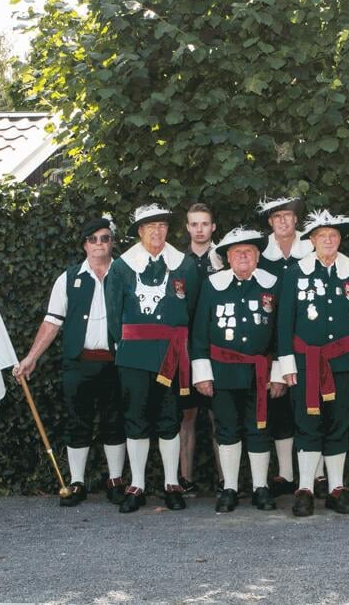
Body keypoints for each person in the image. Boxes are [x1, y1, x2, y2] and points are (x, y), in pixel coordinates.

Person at [13, 216, 127, 506]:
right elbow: (52, 322)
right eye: (93, 239)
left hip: (117, 362)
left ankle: (115, 480)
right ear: (84, 244)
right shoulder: (68, 278)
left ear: (112, 242)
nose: (99, 244)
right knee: (78, 422)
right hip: (79, 362)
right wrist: (31, 358)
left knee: (115, 422)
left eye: (105, 238)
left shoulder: (125, 274)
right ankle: (77, 483)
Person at [275, 210, 349, 516]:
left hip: (344, 362)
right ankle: (304, 488)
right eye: (322, 236)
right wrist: (286, 365)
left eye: (333, 236)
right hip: (305, 364)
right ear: (313, 240)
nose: (328, 240)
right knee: (307, 425)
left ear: (339, 239)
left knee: (338, 425)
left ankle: (335, 489)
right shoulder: (295, 273)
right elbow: (284, 323)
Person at [111, 203, 201, 513]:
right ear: (140, 232)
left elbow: (192, 311)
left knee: (169, 418)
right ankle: (137, 483)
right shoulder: (122, 267)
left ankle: (171, 483)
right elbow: (114, 315)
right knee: (136, 419)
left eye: (162, 226)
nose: (157, 231)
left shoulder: (185, 266)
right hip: (134, 356)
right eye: (150, 227)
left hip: (171, 355)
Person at [190, 227, 279, 512]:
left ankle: (260, 488)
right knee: (227, 430)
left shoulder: (271, 285)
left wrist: (278, 373)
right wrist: (202, 373)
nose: (243, 256)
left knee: (259, 430)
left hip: (260, 374)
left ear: (257, 257)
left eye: (249, 252)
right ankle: (229, 488)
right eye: (237, 252)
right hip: (223, 372)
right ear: (227, 257)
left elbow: (280, 333)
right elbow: (200, 333)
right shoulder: (212, 285)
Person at [256, 197, 313, 498]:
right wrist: (277, 362)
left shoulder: (313, 250)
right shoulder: (261, 255)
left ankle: (316, 475)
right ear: (270, 222)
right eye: (277, 217)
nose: (282, 221)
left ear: (296, 220)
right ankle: (286, 474)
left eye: (287, 216)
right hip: (271, 343)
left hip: (309, 342)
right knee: (278, 410)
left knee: (310, 406)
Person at [178, 202, 222, 494]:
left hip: (219, 347)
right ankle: (185, 480)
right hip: (185, 349)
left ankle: (224, 480)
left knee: (220, 415)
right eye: (194, 224)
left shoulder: (225, 258)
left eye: (204, 223)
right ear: (188, 228)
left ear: (213, 227)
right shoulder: (177, 262)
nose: (200, 229)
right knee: (187, 416)